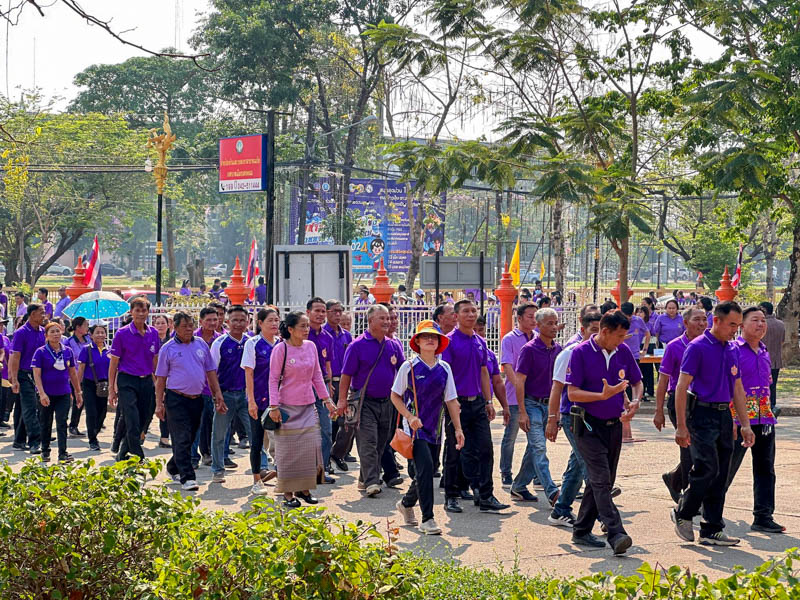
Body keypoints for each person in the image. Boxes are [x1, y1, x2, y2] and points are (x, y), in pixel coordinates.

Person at [671, 301, 755, 546]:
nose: (735, 331)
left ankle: (712, 528)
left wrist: (745, 423)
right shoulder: (697, 347)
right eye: (731, 324)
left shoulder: (732, 349)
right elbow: (681, 386)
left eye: (738, 326)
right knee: (706, 468)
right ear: (715, 320)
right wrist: (681, 425)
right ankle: (684, 512)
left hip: (723, 416)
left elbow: (737, 388)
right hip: (701, 415)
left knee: (721, 474)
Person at [565, 310, 641, 555]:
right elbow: (572, 393)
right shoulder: (580, 353)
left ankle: (581, 529)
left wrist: (635, 401)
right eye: (619, 336)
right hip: (587, 425)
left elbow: (637, 381)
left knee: (601, 481)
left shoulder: (623, 352)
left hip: (613, 425)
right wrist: (601, 395)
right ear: (604, 331)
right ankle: (616, 531)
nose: (622, 340)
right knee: (600, 478)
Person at [394, 320, 464, 535]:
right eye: (425, 337)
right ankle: (428, 518)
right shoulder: (409, 367)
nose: (430, 340)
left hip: (436, 428)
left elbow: (451, 400)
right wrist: (409, 416)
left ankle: (406, 503)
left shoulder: (445, 368)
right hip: (415, 429)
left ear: (439, 343)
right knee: (425, 471)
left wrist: (459, 430)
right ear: (417, 341)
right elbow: (395, 395)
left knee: (429, 469)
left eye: (434, 337)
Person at [441, 299, 509, 513]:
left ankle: (486, 495)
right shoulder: (449, 342)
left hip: (478, 403)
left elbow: (483, 372)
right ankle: (451, 495)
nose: (471, 315)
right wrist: (450, 404)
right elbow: (446, 376)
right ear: (456, 316)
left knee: (485, 449)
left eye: (474, 311)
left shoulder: (480, 342)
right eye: (466, 311)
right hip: (456, 403)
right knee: (455, 450)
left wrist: (489, 401)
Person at [725, 307, 783, 533]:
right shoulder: (733, 351)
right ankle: (704, 506)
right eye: (755, 320)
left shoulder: (764, 350)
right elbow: (729, 387)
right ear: (742, 324)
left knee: (766, 468)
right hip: (739, 419)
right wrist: (731, 419)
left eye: (763, 321)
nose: (761, 325)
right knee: (727, 466)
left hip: (765, 418)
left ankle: (763, 515)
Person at [336, 304, 404, 497]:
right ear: (370, 321)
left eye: (388, 319)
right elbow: (346, 375)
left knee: (382, 442)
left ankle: (364, 477)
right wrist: (342, 401)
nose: (386, 322)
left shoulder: (393, 345)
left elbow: (403, 370)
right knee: (368, 441)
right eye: (382, 318)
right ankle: (372, 481)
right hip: (365, 402)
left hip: (388, 402)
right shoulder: (357, 345)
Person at [269, 311, 335, 507]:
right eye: (302, 326)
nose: (307, 330)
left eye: (308, 326)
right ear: (290, 329)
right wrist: (274, 406)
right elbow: (273, 379)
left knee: (309, 450)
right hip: (286, 408)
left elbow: (317, 375)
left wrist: (327, 400)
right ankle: (288, 494)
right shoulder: (281, 349)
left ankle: (305, 490)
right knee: (288, 452)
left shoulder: (311, 347)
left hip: (308, 406)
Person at [155, 311, 224, 491]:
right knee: (181, 437)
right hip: (176, 399)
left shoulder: (200, 344)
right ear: (175, 327)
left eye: (191, 325)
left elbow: (210, 371)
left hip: (197, 398)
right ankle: (188, 477)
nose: (188, 329)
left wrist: (217, 394)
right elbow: (161, 378)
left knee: (191, 436)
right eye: (184, 326)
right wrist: (158, 404)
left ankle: (173, 466)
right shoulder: (168, 348)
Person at [545, 310, 603, 527]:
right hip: (573, 417)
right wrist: (553, 418)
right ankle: (606, 517)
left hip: (594, 417)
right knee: (591, 467)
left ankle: (560, 510)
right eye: (593, 331)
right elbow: (556, 388)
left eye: (601, 331)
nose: (596, 336)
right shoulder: (569, 353)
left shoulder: (603, 353)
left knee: (577, 465)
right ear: (583, 330)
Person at [653, 307, 707, 503]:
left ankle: (674, 478)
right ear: (685, 323)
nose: (702, 323)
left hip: (704, 402)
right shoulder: (674, 347)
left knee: (703, 450)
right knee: (688, 448)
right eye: (697, 320)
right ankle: (687, 493)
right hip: (681, 402)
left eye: (704, 319)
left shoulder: (711, 344)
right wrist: (658, 411)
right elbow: (663, 380)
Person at [510, 307, 562, 505]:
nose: (554, 327)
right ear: (538, 326)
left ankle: (519, 486)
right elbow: (519, 381)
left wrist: (555, 413)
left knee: (535, 447)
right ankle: (551, 491)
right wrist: (522, 412)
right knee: (539, 447)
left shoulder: (558, 350)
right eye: (549, 323)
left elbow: (559, 384)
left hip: (548, 406)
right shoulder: (529, 350)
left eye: (555, 322)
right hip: (532, 404)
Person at [108, 296, 161, 461]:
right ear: (131, 312)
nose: (140, 314)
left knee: (145, 417)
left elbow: (155, 361)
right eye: (137, 310)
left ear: (148, 312)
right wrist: (111, 388)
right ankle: (138, 456)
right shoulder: (122, 333)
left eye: (144, 310)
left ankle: (123, 453)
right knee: (132, 419)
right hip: (127, 380)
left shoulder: (153, 333)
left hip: (146, 381)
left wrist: (158, 384)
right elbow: (114, 362)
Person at [209, 305, 251, 483]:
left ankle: (262, 467)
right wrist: (217, 395)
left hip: (247, 396)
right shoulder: (219, 343)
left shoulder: (251, 342)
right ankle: (218, 469)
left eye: (242, 320)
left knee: (255, 433)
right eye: (235, 320)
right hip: (225, 395)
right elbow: (211, 372)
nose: (238, 324)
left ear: (248, 322)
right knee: (219, 434)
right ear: (227, 321)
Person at [242, 307, 280, 495]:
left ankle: (283, 477)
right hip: (258, 399)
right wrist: (251, 400)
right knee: (257, 441)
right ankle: (257, 480)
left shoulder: (282, 344)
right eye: (270, 320)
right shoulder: (253, 344)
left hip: (278, 401)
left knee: (282, 440)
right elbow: (249, 373)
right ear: (260, 323)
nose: (274, 324)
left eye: (276, 320)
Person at [32, 321, 82, 463]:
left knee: (62, 422)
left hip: (63, 393)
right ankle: (45, 451)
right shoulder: (40, 352)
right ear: (46, 335)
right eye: (52, 332)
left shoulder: (68, 351)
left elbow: (73, 373)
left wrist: (78, 392)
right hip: (46, 394)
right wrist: (41, 393)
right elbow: (36, 375)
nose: (56, 334)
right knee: (46, 422)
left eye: (58, 331)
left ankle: (62, 453)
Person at [498, 303, 537, 486]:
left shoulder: (538, 338)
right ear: (519, 318)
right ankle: (506, 472)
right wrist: (521, 387)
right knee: (511, 436)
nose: (533, 320)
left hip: (535, 397)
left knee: (536, 438)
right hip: (514, 397)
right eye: (529, 316)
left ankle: (534, 473)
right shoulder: (510, 339)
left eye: (535, 316)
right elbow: (507, 366)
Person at [9, 304, 46, 454]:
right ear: (32, 314)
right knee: (31, 407)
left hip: (39, 375)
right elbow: (15, 357)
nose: (44, 316)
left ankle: (18, 440)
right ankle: (35, 441)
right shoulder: (21, 333)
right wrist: (15, 378)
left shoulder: (43, 332)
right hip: (24, 375)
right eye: (41, 313)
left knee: (28, 408)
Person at [306, 296, 335, 483]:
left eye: (323, 311)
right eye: (317, 310)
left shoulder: (327, 337)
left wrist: (330, 385)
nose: (320, 314)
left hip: (322, 386)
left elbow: (328, 363)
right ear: (308, 312)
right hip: (303, 386)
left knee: (326, 429)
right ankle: (304, 469)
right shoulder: (300, 333)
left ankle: (322, 469)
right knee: (305, 429)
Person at [326, 300, 356, 470]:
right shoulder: (322, 334)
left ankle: (337, 454)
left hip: (345, 384)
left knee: (347, 423)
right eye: (334, 311)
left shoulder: (347, 336)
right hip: (328, 384)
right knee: (329, 424)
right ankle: (325, 461)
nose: (338, 314)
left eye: (340, 311)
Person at [191, 307, 221, 469]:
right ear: (201, 321)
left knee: (211, 425)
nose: (212, 323)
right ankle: (192, 457)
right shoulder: (192, 338)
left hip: (214, 390)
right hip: (195, 389)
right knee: (195, 425)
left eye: (215, 320)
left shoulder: (220, 340)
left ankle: (209, 454)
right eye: (208, 320)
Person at [77, 323, 111, 452]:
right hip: (89, 384)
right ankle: (92, 440)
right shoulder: (87, 349)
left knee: (102, 412)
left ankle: (95, 432)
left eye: (102, 332)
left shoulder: (110, 350)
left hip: (105, 385)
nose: (100, 335)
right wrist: (77, 387)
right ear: (91, 335)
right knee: (91, 411)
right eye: (97, 332)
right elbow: (81, 369)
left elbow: (114, 369)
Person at [65, 317, 91, 438]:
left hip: (89, 375)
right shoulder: (68, 342)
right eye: (86, 325)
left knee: (84, 400)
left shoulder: (89, 339)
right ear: (78, 328)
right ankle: (72, 426)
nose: (88, 327)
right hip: (74, 376)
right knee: (77, 400)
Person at [152, 314, 174, 449]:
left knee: (166, 408)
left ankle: (164, 438)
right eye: (157, 323)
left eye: (162, 323)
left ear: (168, 325)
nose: (160, 326)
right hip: (152, 378)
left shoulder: (172, 341)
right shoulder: (151, 340)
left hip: (169, 380)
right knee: (149, 409)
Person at [759, 301, 785, 412]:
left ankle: (764, 406)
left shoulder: (761, 324)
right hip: (775, 360)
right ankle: (772, 406)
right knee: (772, 385)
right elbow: (782, 341)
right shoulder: (781, 324)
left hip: (761, 359)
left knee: (760, 385)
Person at [635, 305, 655, 400]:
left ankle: (648, 391)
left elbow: (650, 335)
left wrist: (645, 349)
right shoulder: (633, 323)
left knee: (647, 371)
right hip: (635, 349)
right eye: (638, 312)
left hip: (647, 348)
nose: (639, 314)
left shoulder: (649, 324)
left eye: (641, 312)